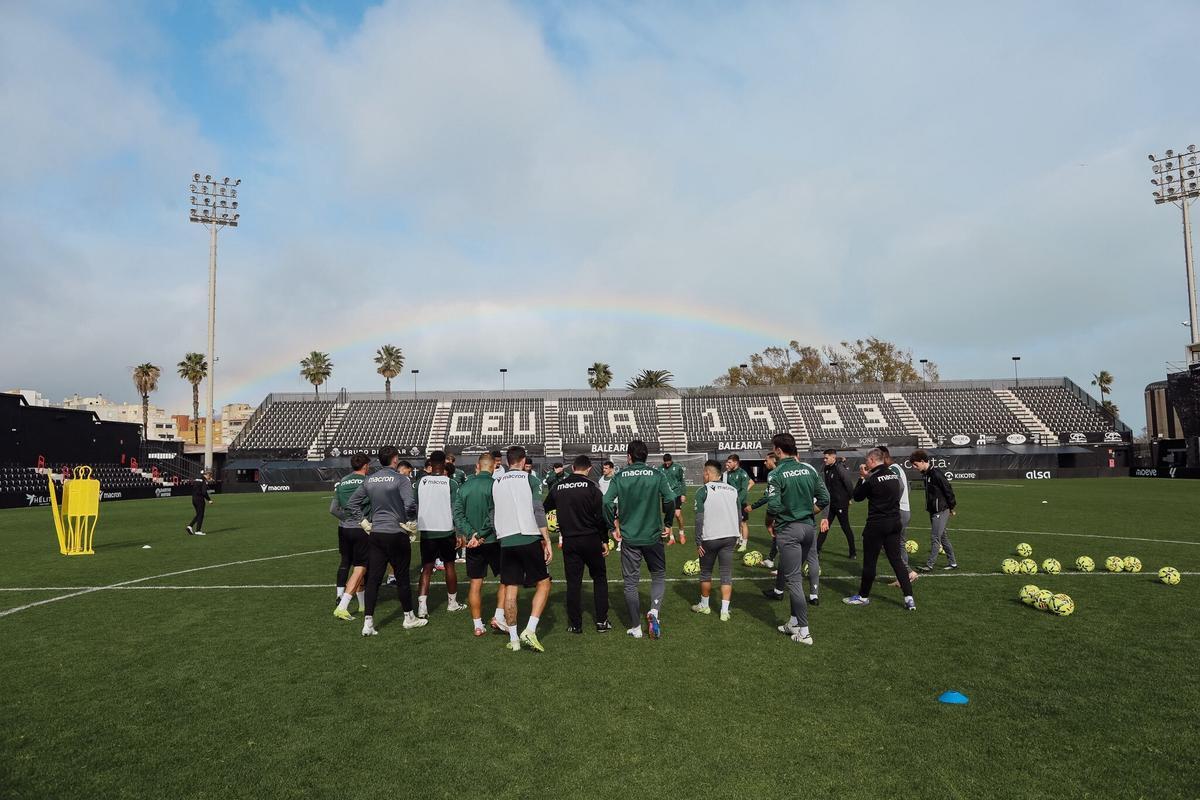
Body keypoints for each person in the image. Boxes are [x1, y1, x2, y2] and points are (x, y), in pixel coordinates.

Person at [346, 446, 429, 636]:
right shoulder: (401, 479)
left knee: (374, 579)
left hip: (376, 533)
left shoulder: (370, 480)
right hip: (396, 532)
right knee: (402, 577)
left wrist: (364, 522)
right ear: (394, 459)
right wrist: (411, 522)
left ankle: (368, 623)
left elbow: (351, 503)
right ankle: (409, 617)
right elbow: (409, 504)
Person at [603, 439, 675, 639]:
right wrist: (668, 524)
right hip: (653, 537)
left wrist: (612, 527)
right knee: (658, 575)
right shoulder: (657, 474)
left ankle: (636, 627)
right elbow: (670, 499)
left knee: (630, 584)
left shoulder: (620, 477)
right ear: (646, 456)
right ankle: (654, 611)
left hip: (630, 538)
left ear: (628, 456)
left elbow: (607, 502)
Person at [764, 434, 829, 645]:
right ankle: (793, 622)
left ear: (778, 450)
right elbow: (825, 499)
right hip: (808, 529)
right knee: (794, 576)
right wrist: (806, 513)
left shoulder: (776, 473)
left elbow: (773, 506)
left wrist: (769, 522)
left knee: (793, 581)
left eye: (773, 449)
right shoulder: (809, 469)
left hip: (789, 531)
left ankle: (804, 632)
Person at [492, 446, 552, 652]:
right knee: (544, 583)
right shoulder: (530, 479)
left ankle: (514, 639)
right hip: (527, 536)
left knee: (510, 589)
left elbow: (493, 513)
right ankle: (531, 629)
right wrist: (547, 540)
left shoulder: (496, 482)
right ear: (523, 460)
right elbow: (537, 510)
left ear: (508, 461)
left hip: (506, 540)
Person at [543, 454, 611, 634]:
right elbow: (601, 517)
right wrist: (604, 540)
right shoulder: (592, 487)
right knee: (599, 578)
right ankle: (602, 622)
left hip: (570, 541)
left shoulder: (558, 487)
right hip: (591, 539)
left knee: (573, 583)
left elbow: (544, 508)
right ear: (588, 469)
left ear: (573, 468)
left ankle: (575, 625)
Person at [843, 448, 916, 611]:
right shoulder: (893, 475)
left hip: (877, 524)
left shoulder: (872, 478)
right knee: (897, 560)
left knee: (870, 562)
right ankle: (909, 598)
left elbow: (857, 496)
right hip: (895, 522)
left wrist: (862, 478)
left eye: (867, 460)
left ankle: (863, 596)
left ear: (872, 460)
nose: (865, 462)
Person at [453, 453, 508, 637]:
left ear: (478, 466)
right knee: (506, 580)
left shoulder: (464, 486)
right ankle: (498, 616)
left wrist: (471, 534)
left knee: (475, 583)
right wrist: (481, 534)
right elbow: (494, 513)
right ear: (493, 467)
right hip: (493, 540)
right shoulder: (495, 485)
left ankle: (478, 625)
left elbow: (458, 515)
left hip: (472, 543)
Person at [415, 451, 465, 618]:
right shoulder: (450, 483)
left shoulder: (421, 481)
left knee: (427, 568)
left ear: (430, 463)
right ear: (444, 463)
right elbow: (455, 509)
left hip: (427, 531)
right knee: (449, 565)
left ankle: (422, 608)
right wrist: (459, 532)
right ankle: (452, 603)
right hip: (446, 530)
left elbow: (414, 504)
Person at [691, 460, 740, 621]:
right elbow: (739, 515)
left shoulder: (703, 490)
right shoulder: (733, 490)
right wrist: (737, 535)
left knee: (706, 572)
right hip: (730, 536)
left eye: (704, 473)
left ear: (707, 473)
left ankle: (704, 605)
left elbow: (699, 519)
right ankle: (724, 611)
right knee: (726, 574)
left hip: (710, 538)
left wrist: (698, 541)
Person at [330, 453, 371, 620]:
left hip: (344, 529)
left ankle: (362, 605)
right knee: (362, 566)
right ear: (365, 466)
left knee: (351, 563)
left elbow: (333, 508)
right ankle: (343, 605)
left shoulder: (343, 481)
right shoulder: (367, 481)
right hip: (362, 528)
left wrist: (346, 519)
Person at [911, 449, 959, 571]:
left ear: (922, 461)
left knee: (935, 538)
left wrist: (951, 507)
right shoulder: (927, 474)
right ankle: (953, 563)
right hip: (934, 510)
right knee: (943, 537)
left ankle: (929, 565)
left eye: (916, 465)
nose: (915, 468)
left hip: (940, 510)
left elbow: (948, 490)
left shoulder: (936, 474)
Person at [879, 446, 919, 587]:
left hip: (898, 511)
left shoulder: (893, 469)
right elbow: (907, 488)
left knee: (887, 544)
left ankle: (907, 572)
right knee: (899, 544)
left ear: (884, 457)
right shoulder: (898, 468)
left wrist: (891, 504)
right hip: (904, 510)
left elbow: (901, 488)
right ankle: (903, 577)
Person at [820, 450, 857, 558]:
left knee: (846, 528)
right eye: (824, 458)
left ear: (833, 457)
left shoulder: (840, 468)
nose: (824, 460)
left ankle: (853, 552)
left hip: (841, 504)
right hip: (830, 504)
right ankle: (816, 550)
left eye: (826, 458)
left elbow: (849, 484)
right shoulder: (827, 468)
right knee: (824, 526)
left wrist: (849, 498)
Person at [751, 452, 778, 567]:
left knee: (785, 538)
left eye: (767, 460)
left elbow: (768, 497)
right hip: (784, 509)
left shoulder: (774, 474)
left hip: (782, 510)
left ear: (773, 460)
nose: (764, 462)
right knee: (778, 536)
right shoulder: (772, 473)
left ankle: (785, 568)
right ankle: (771, 559)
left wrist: (753, 506)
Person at [723, 454, 754, 551]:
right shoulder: (727, 474)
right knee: (736, 523)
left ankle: (744, 544)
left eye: (729, 462)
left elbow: (744, 491)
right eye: (727, 462)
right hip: (731, 502)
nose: (727, 464)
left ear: (735, 463)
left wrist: (737, 502)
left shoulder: (742, 473)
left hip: (741, 503)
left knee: (743, 523)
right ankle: (738, 540)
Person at [661, 453, 687, 545]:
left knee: (677, 514)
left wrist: (683, 494)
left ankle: (681, 533)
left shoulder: (678, 467)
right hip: (666, 496)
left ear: (671, 460)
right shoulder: (661, 469)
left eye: (668, 462)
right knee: (669, 516)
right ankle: (671, 538)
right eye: (665, 463)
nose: (667, 464)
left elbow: (682, 481)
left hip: (677, 494)